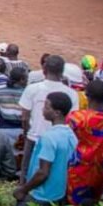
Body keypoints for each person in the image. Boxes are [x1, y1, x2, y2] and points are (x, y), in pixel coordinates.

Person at [14, 93, 77, 206]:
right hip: (60, 193)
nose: (43, 109)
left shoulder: (49, 137)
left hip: (42, 195)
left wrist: (23, 189)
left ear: (57, 113)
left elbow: (43, 173)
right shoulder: (70, 135)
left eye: (46, 107)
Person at [19, 54, 79, 182]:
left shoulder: (32, 88)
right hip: (60, 141)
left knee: (27, 171)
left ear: (44, 70)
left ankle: (23, 194)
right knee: (56, 172)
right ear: (62, 72)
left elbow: (24, 118)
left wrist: (26, 133)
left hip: (34, 137)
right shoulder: (72, 93)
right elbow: (73, 120)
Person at [66, 80, 103, 206]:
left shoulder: (77, 118)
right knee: (96, 203)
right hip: (102, 167)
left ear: (87, 95)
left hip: (79, 167)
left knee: (74, 204)